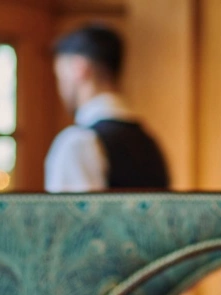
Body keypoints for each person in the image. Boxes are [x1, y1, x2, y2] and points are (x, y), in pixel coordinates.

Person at [45, 25, 170, 192]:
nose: (61, 88)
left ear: (80, 68)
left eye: (60, 76)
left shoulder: (77, 143)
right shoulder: (149, 143)